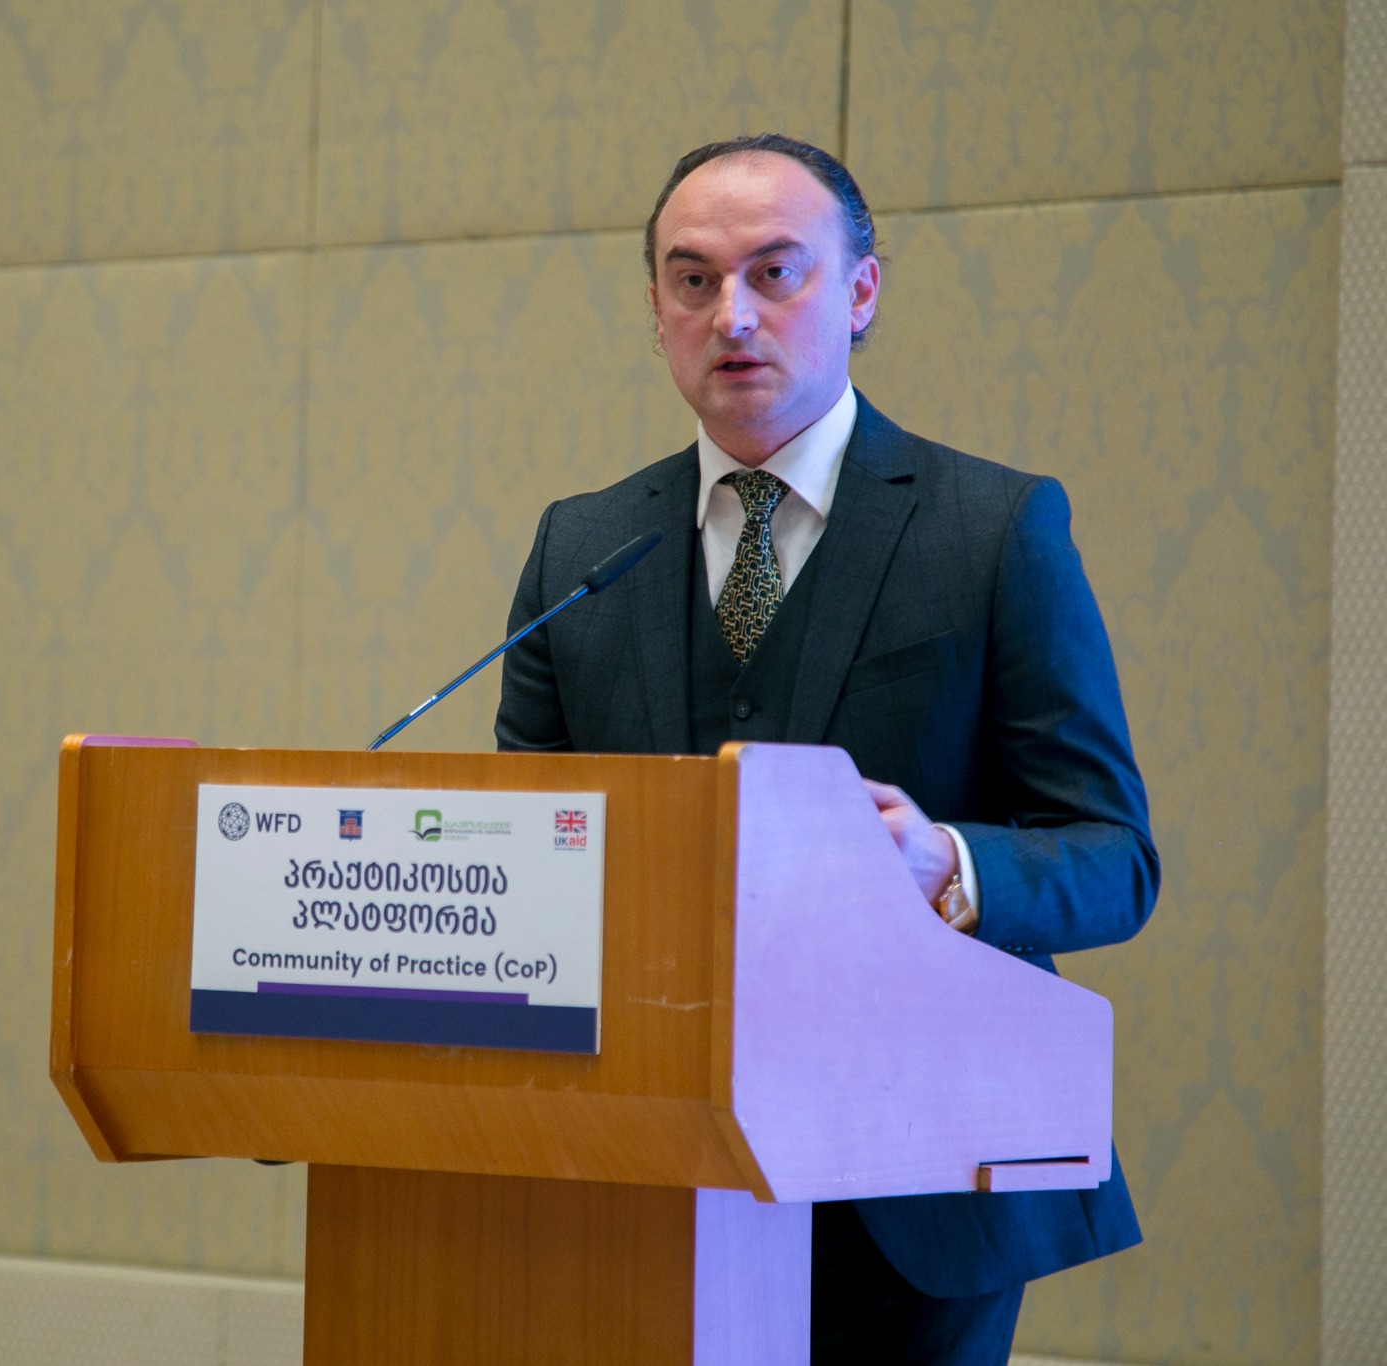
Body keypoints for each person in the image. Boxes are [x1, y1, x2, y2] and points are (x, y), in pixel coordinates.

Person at [493, 134, 1160, 1365]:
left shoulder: (992, 529)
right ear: (654, 312)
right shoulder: (577, 547)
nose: (731, 314)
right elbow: (519, 856)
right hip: (640, 1177)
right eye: (692, 279)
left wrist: (945, 865)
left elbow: (1113, 856)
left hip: (917, 1183)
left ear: (858, 291)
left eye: (774, 272)